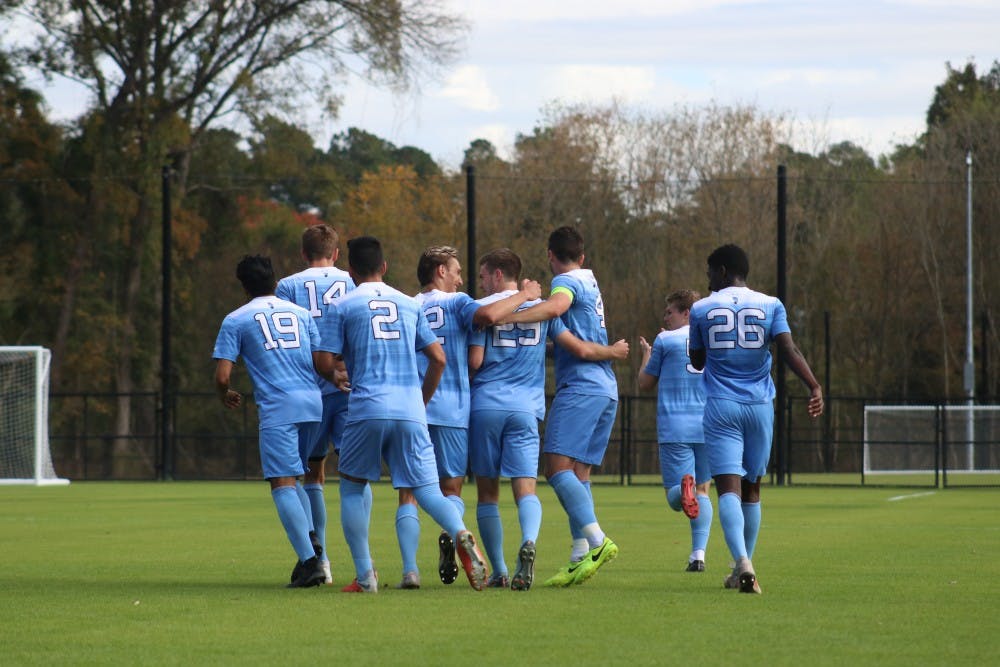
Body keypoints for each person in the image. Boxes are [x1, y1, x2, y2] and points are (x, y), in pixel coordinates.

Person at [314, 235, 489, 593]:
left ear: (350, 271)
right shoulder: (409, 305)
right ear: (385, 267)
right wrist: (421, 400)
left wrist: (336, 371)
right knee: (428, 491)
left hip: (367, 407)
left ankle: (365, 577)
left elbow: (323, 361)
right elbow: (438, 358)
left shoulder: (344, 305)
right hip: (410, 409)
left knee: (352, 488)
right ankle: (460, 532)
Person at [467, 248, 628, 591]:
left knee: (488, 494)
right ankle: (530, 543)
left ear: (497, 275)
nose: (479, 281)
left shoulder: (485, 310)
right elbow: (580, 349)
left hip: (486, 405)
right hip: (526, 409)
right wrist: (613, 352)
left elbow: (476, 361)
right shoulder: (543, 314)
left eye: (483, 275)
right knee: (526, 489)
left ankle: (498, 569)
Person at [394, 245, 541, 590]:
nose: (462, 279)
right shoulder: (459, 304)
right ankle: (454, 533)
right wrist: (525, 294)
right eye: (457, 271)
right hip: (453, 408)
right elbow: (489, 319)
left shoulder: (409, 305)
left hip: (413, 407)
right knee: (452, 488)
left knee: (408, 492)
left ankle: (410, 571)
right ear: (440, 271)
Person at [688, 244, 823, 594]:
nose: (706, 280)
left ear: (721, 271)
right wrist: (813, 385)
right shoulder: (771, 304)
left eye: (708, 273)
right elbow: (789, 350)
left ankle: (742, 562)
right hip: (761, 406)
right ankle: (741, 566)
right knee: (753, 487)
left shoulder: (701, 309)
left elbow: (698, 361)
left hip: (722, 406)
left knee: (727, 487)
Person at [212, 254, 332, 588]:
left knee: (282, 482)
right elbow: (319, 359)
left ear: (243, 286)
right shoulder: (301, 313)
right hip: (313, 403)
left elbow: (223, 375)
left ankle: (310, 561)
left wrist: (224, 393)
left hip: (279, 408)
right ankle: (310, 544)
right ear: (275, 282)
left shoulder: (236, 319)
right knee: (300, 474)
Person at [275, 223, 356, 585]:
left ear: (303, 254)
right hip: (344, 384)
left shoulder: (288, 286)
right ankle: (363, 561)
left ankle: (318, 559)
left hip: (308, 388)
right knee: (354, 474)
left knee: (311, 473)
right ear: (336, 254)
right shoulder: (352, 282)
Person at [638, 290, 713, 572]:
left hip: (675, 427)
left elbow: (644, 383)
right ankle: (698, 555)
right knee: (703, 491)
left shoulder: (665, 340)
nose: (665, 316)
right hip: (707, 426)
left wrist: (646, 355)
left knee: (675, 495)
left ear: (686, 313)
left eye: (670, 311)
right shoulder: (709, 339)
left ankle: (684, 490)